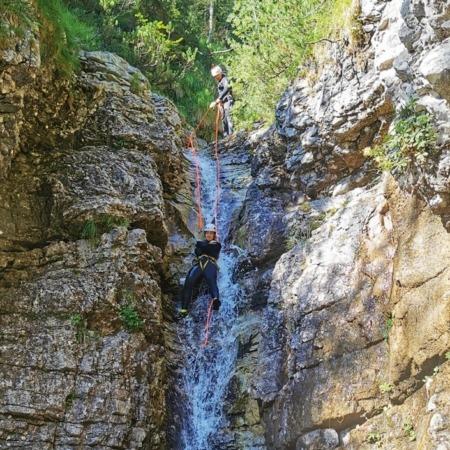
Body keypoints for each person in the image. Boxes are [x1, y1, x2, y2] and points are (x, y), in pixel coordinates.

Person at [179, 223, 221, 318]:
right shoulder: (203, 244)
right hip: (199, 264)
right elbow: (197, 252)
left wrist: (203, 246)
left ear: (214, 235)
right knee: (189, 281)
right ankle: (184, 309)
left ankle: (216, 300)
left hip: (210, 264)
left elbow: (211, 250)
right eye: (207, 233)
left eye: (211, 233)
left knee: (211, 280)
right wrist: (205, 246)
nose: (209, 235)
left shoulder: (217, 244)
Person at [209, 65, 234, 137]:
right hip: (223, 102)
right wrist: (219, 101)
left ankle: (231, 136)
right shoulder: (220, 81)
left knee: (229, 118)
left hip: (228, 101)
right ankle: (226, 136)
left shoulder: (225, 79)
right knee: (224, 119)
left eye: (217, 75)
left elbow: (227, 88)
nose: (216, 77)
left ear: (220, 73)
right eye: (215, 76)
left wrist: (219, 99)